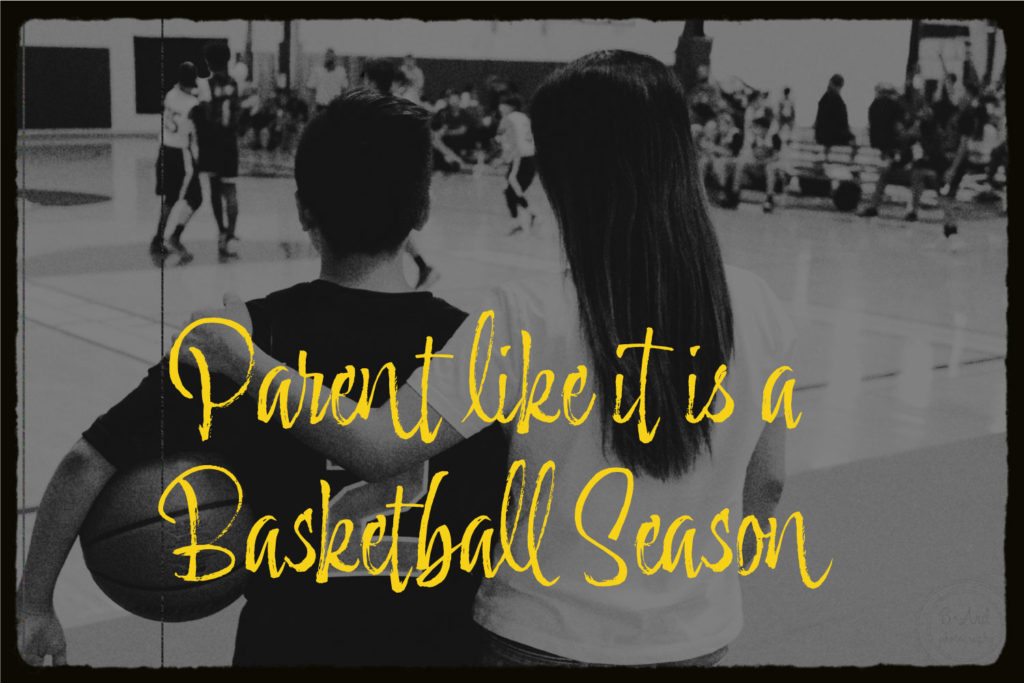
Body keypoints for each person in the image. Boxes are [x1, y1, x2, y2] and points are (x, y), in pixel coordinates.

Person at [184, 51, 793, 668]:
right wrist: (688, 591)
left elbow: (377, 444)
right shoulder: (759, 303)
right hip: (697, 640)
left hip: (541, 637)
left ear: (559, 176)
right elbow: (766, 486)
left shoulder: (523, 315)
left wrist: (242, 359)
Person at [16, 90, 508, 668]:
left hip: (286, 645)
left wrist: (35, 604)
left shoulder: (242, 340)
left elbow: (86, 461)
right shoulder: (474, 346)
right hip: (437, 648)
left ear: (303, 212)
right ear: (423, 212)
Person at [362, 58, 438, 289]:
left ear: (372, 80)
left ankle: (391, 278)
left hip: (396, 175)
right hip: (401, 173)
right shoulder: (397, 102)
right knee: (390, 227)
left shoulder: (382, 106)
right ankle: (422, 267)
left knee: (384, 227)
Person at [150, 61, 203, 266]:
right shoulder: (193, 104)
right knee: (195, 198)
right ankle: (173, 237)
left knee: (170, 198)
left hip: (164, 150)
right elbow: (196, 132)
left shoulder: (171, 94)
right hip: (181, 154)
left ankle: (159, 237)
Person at [196, 42, 242, 261]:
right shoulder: (234, 83)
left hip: (212, 143)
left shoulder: (206, 85)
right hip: (229, 142)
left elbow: (204, 117)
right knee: (230, 189)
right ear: (228, 59)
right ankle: (232, 235)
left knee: (215, 190)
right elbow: (237, 115)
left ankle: (222, 232)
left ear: (208, 62)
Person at [730, 105, 783, 213]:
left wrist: (763, 159)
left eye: (757, 127)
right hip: (758, 167)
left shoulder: (774, 138)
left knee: (770, 167)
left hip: (773, 170)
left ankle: (769, 198)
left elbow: (776, 157)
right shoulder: (754, 139)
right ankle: (734, 193)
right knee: (741, 162)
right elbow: (753, 155)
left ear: (764, 129)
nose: (755, 130)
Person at [496, 93, 537, 235]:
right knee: (510, 192)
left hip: (519, 159)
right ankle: (522, 217)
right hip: (530, 158)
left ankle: (525, 216)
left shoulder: (508, 119)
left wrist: (502, 159)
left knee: (510, 189)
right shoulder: (524, 117)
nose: (500, 107)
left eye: (503, 104)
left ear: (510, 107)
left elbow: (511, 141)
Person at [814, 74, 854, 149]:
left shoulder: (824, 98)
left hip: (821, 136)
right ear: (839, 86)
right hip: (831, 137)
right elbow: (842, 122)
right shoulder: (837, 100)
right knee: (853, 139)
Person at [307, 49, 349, 115]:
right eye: (328, 56)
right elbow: (311, 89)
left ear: (335, 58)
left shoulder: (341, 71)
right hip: (321, 106)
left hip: (335, 107)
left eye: (332, 57)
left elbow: (344, 89)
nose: (330, 59)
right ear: (325, 58)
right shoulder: (317, 71)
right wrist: (312, 106)